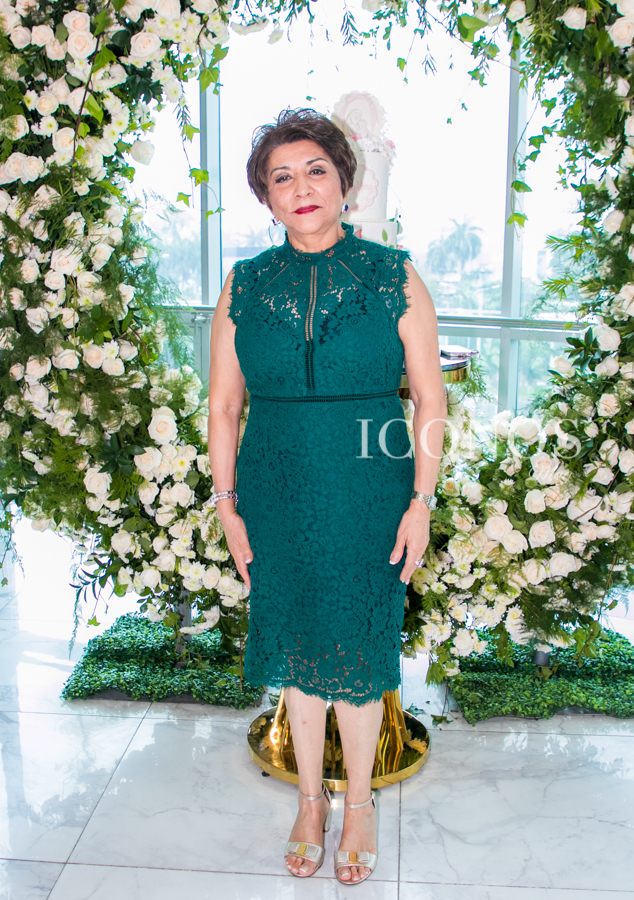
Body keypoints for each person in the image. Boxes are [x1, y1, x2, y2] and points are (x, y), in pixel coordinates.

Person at [208, 108, 447, 886]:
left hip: (369, 486)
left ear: (345, 180)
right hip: (275, 486)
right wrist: (227, 504)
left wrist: (421, 502)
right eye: (281, 177)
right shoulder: (245, 284)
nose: (301, 187)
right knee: (299, 652)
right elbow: (223, 406)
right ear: (266, 198)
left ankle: (361, 807)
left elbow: (431, 398)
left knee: (360, 650)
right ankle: (310, 802)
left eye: (315, 169)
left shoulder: (393, 274)